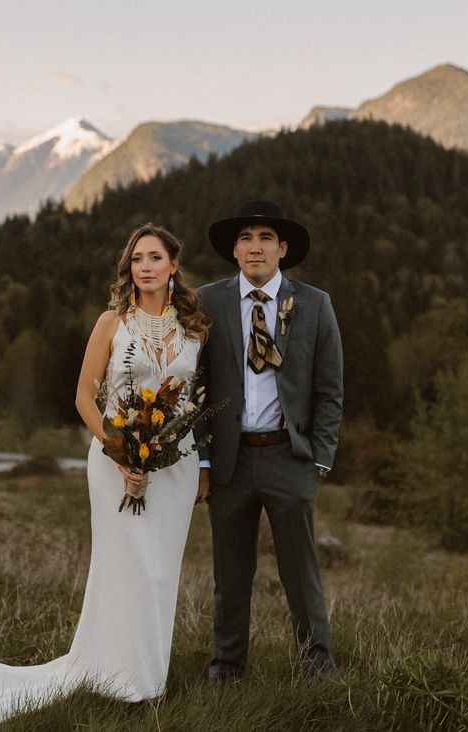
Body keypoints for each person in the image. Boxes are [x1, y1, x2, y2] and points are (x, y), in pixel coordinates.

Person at [0, 223, 208, 721]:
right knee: (124, 566)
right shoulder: (111, 322)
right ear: (129, 268)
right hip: (114, 458)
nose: (146, 266)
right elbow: (82, 396)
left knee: (160, 572)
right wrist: (120, 450)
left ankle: (148, 678)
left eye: (155, 257)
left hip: (174, 467)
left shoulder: (194, 330)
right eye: (137, 258)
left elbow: (191, 402)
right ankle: (114, 677)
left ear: (173, 266)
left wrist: (173, 455)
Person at [195, 200, 343, 681]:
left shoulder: (315, 303)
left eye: (264, 238)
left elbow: (329, 389)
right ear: (234, 252)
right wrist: (202, 459)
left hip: (289, 457)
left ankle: (316, 669)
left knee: (301, 576)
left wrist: (319, 460)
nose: (254, 247)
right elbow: (193, 386)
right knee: (230, 577)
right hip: (230, 462)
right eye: (245, 238)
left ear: (282, 249)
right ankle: (226, 669)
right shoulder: (208, 302)